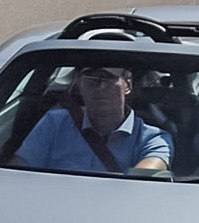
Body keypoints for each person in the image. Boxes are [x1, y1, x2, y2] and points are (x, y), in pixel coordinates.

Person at [10, 65, 171, 175]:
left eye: (107, 78)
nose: (99, 87)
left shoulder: (153, 139)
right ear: (80, 85)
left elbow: (142, 184)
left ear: (127, 84)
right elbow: (18, 173)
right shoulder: (54, 123)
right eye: (91, 78)